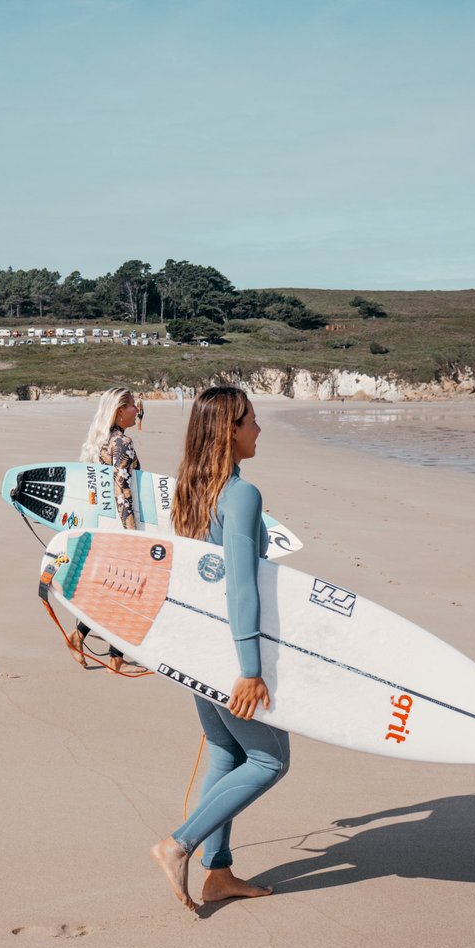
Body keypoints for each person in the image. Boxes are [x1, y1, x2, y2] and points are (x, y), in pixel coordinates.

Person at [151, 387, 290, 911]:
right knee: (270, 759)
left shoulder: (190, 491)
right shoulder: (241, 494)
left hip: (194, 644)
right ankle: (178, 844)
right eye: (253, 419)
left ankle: (218, 872)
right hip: (229, 651)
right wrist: (251, 668)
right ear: (230, 429)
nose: (259, 429)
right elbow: (241, 586)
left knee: (228, 753)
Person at [67, 387, 146, 676]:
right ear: (119, 410)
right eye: (133, 406)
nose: (137, 411)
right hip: (123, 525)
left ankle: (107, 652)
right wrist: (132, 532)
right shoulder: (122, 442)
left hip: (105, 525)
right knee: (126, 589)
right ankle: (90, 643)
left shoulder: (101, 442)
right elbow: (122, 489)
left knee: (116, 588)